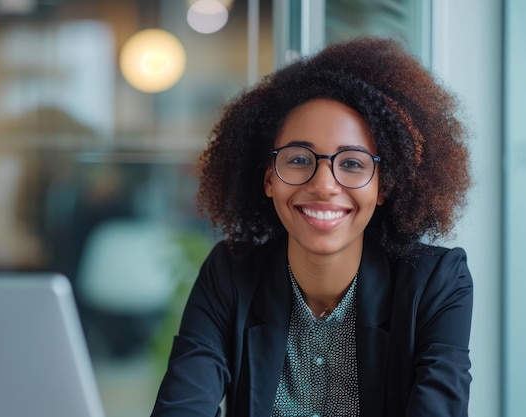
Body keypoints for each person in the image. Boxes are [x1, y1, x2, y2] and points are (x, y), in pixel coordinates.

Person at [151, 36, 473, 417]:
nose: (323, 185)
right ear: (268, 178)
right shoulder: (230, 274)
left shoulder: (437, 283)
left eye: (352, 163)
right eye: (299, 159)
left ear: (382, 186)